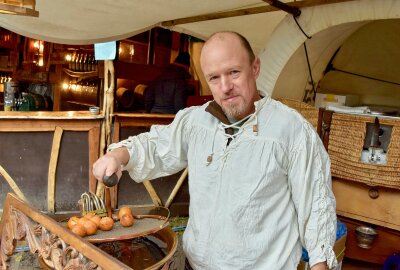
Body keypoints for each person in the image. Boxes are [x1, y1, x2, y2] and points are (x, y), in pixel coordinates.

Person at [93, 31, 337, 270]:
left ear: (255, 68)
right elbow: (157, 145)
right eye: (214, 78)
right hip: (195, 265)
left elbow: (316, 204)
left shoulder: (291, 130)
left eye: (234, 72)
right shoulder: (196, 121)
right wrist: (118, 155)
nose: (225, 87)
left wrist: (320, 263)